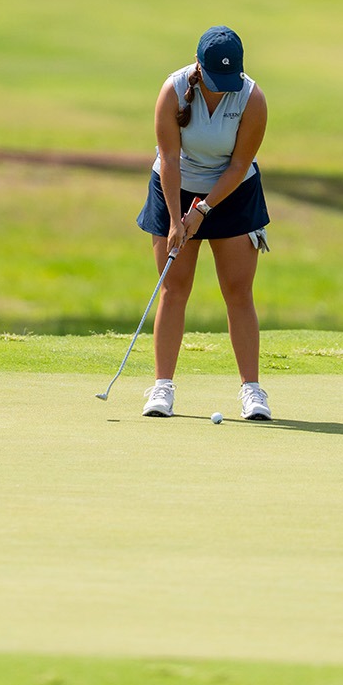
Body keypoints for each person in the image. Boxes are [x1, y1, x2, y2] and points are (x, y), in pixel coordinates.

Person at [136, 26, 273, 421]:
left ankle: (252, 390)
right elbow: (170, 156)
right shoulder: (173, 91)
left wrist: (203, 210)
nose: (223, 87)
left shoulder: (252, 98)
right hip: (173, 186)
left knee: (237, 289)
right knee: (174, 287)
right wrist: (179, 218)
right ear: (199, 65)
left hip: (232, 192)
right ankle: (162, 387)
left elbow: (238, 165)